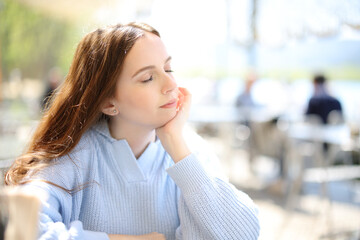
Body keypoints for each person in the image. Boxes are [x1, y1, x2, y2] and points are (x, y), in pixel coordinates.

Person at [4, 23, 260, 240]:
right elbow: (22, 229)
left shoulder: (189, 150)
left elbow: (244, 234)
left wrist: (175, 143)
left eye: (168, 69)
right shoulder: (73, 155)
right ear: (108, 103)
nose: (171, 84)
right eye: (148, 78)